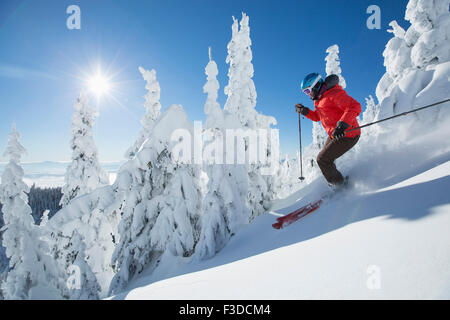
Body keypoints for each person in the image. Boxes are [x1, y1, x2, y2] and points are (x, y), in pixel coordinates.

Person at [295, 73, 361, 188]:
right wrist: (305, 111)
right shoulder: (319, 100)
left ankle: (340, 186)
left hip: (348, 134)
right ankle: (337, 180)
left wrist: (342, 125)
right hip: (335, 134)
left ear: (316, 85)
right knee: (325, 157)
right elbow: (317, 117)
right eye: (305, 92)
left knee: (322, 159)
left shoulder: (334, 94)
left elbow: (355, 106)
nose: (308, 95)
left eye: (307, 91)